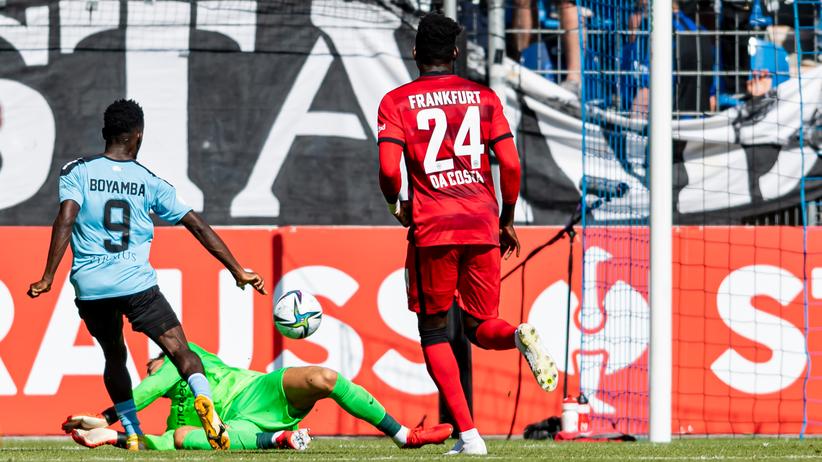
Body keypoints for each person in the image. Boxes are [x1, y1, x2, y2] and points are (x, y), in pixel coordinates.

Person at [27, 99, 267, 451]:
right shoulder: (150, 181)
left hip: (92, 286)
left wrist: (48, 275)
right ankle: (205, 402)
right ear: (138, 135)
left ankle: (132, 429)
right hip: (136, 284)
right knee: (181, 350)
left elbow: (66, 217)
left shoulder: (77, 170)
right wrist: (237, 270)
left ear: (105, 133)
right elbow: (196, 225)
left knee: (114, 355)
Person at [376, 13, 559, 456]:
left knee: (433, 330)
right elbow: (510, 164)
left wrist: (397, 205)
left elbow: (388, 169)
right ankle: (517, 335)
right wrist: (507, 218)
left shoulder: (396, 102)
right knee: (479, 327)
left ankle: (471, 437)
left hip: (434, 228)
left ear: (415, 53)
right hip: (481, 223)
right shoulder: (484, 98)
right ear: (456, 53)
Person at [63, 343, 453, 451]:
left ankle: (404, 435)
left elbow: (148, 389)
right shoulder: (177, 414)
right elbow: (162, 442)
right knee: (180, 437)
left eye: (151, 364)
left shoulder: (183, 356)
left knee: (324, 377)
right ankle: (280, 440)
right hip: (240, 425)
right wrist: (114, 438)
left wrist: (110, 415)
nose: (150, 369)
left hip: (259, 390)